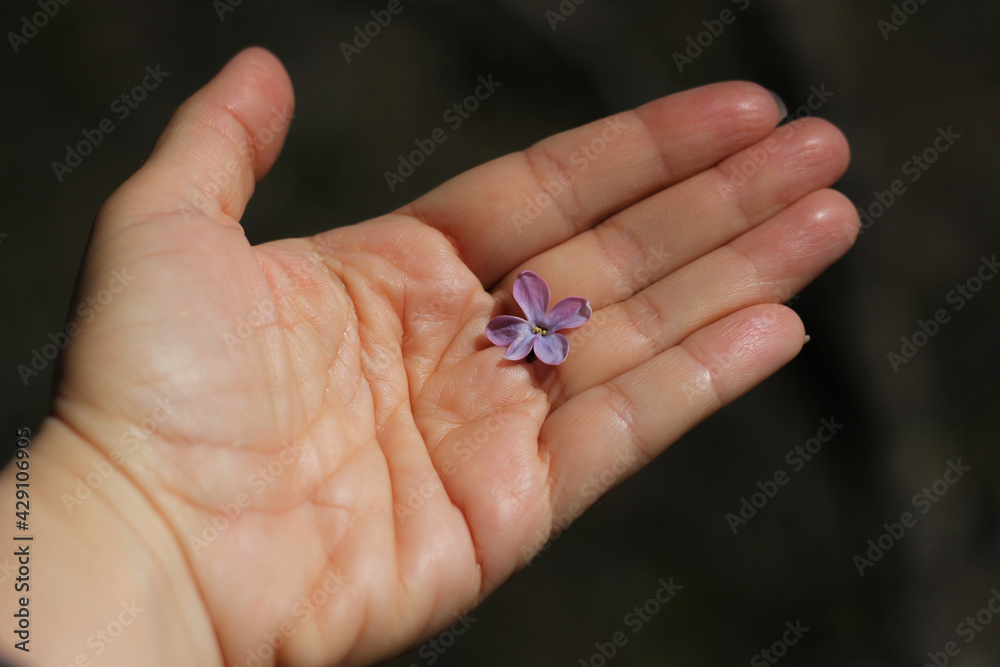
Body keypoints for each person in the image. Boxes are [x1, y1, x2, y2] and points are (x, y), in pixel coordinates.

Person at [0, 47, 856, 666]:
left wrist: (117, 518)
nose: (532, 341)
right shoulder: (513, 328)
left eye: (540, 337)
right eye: (533, 333)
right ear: (527, 324)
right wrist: (125, 502)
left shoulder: (540, 333)